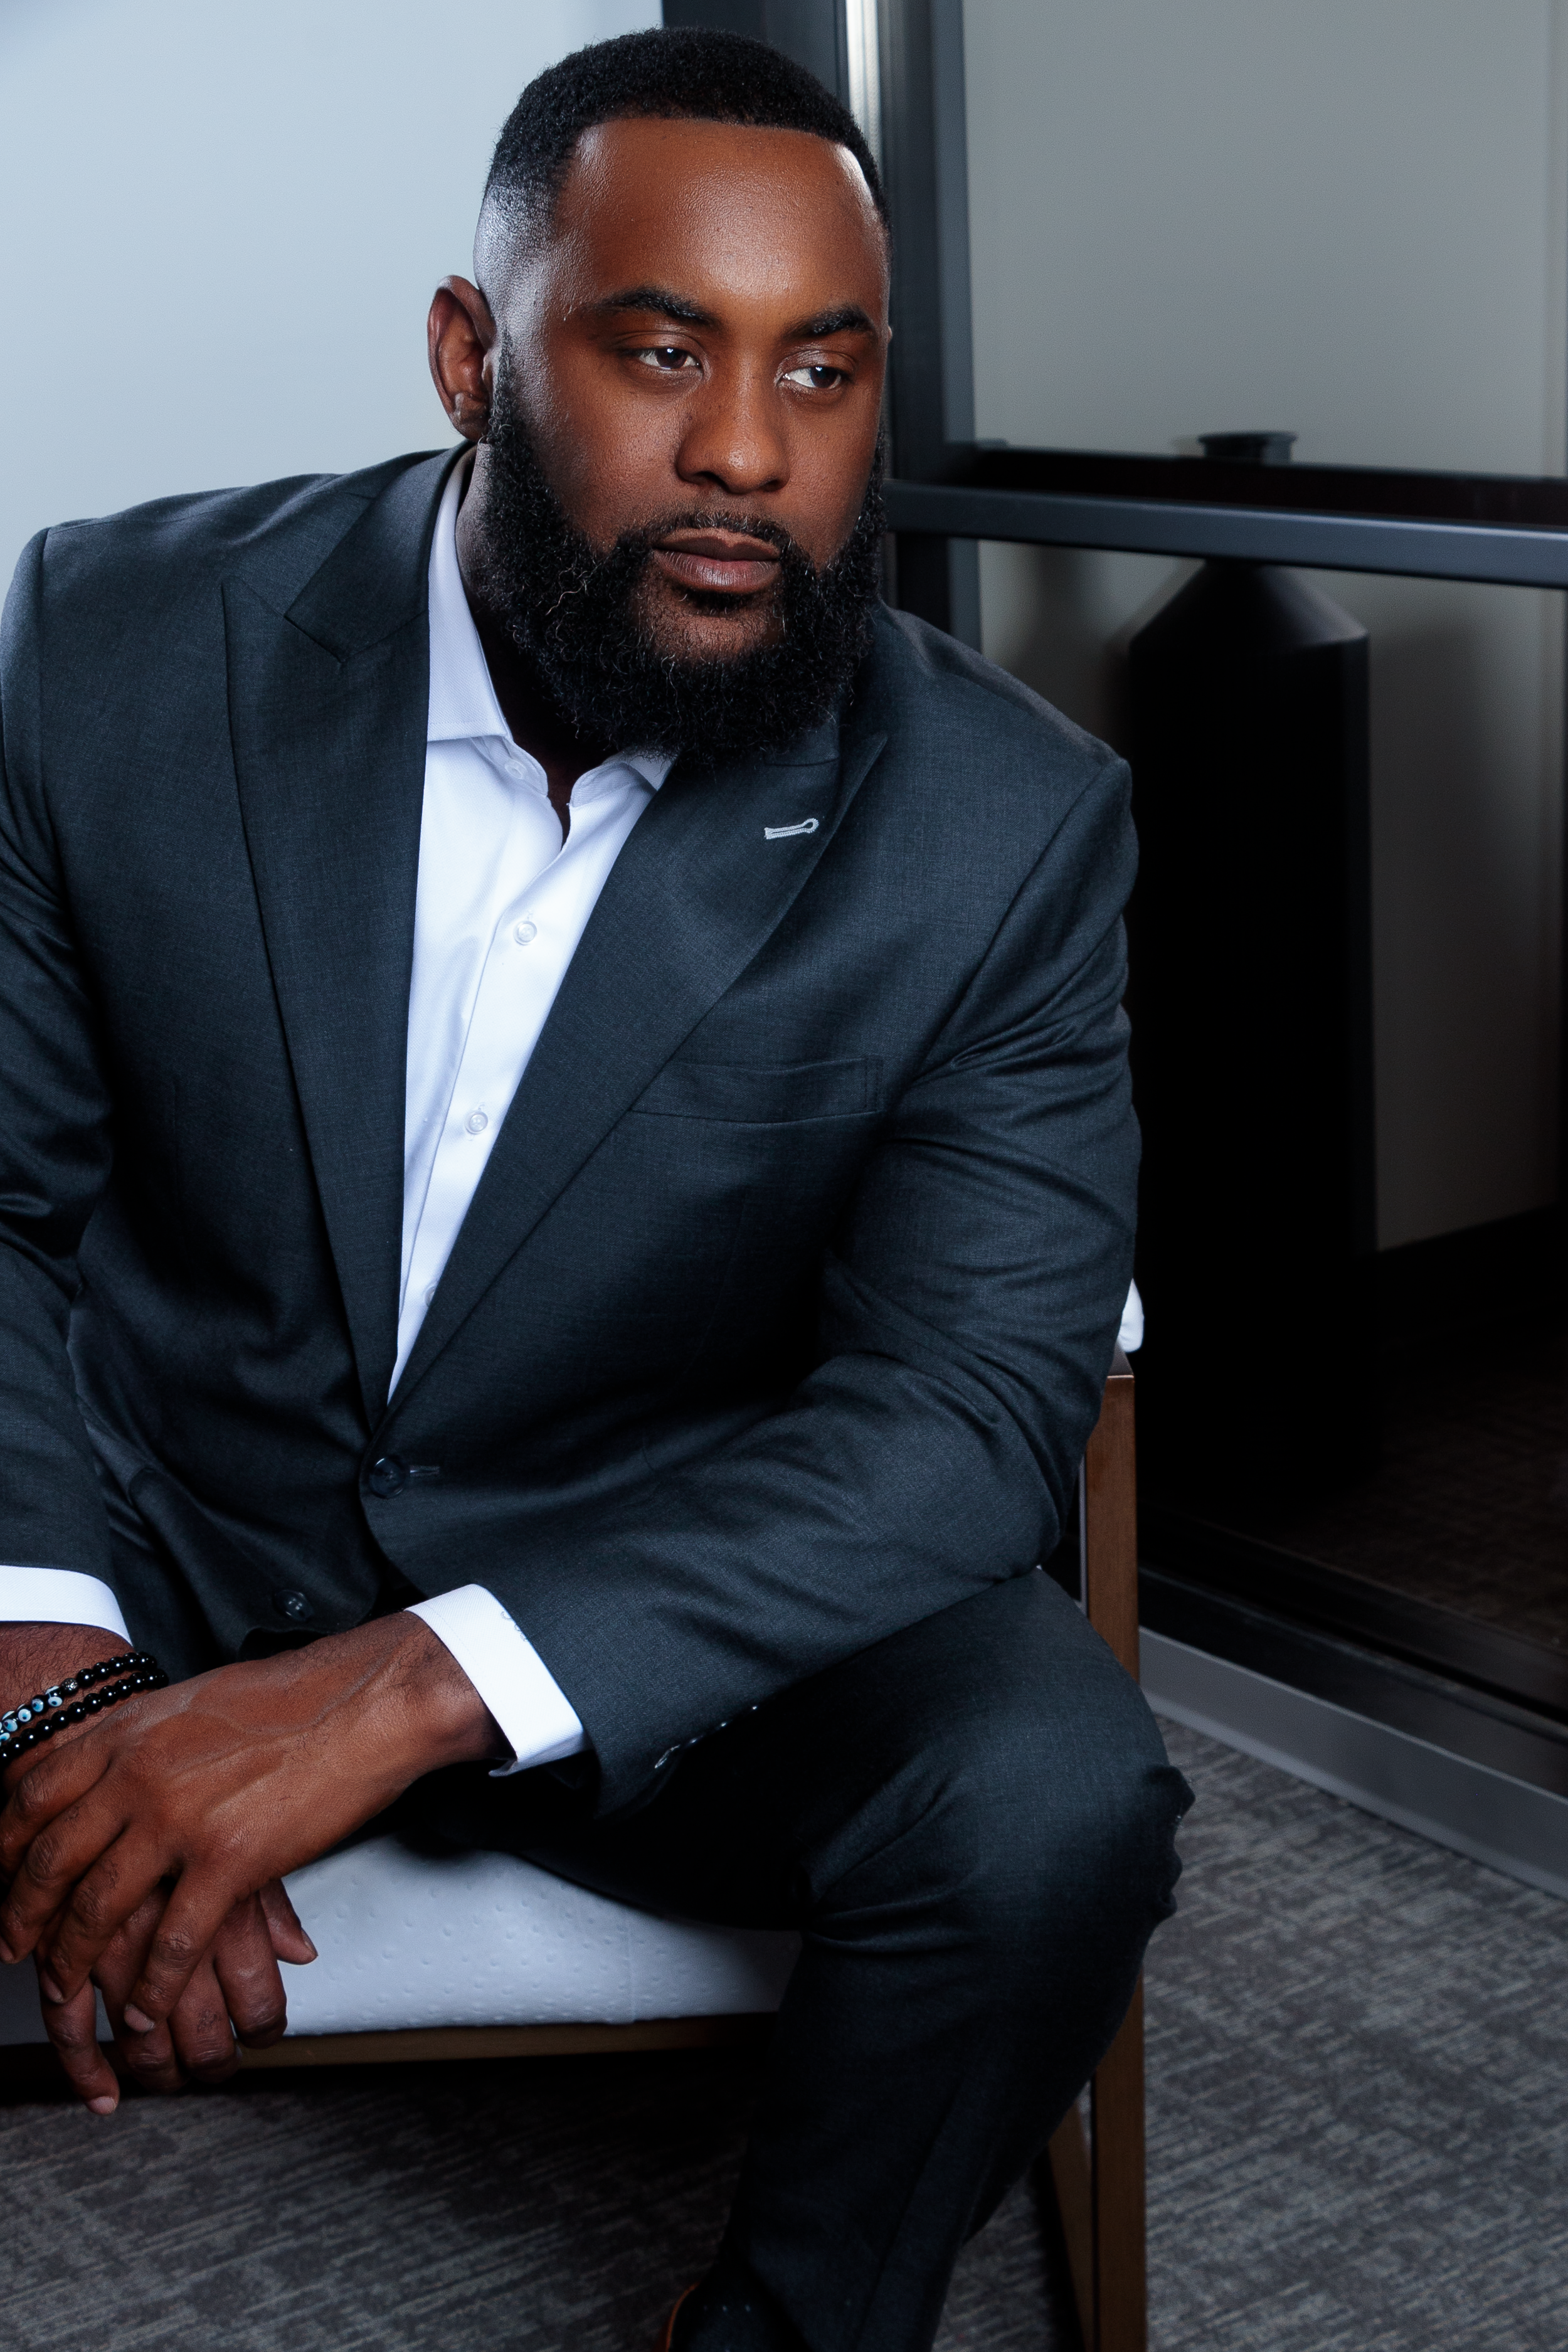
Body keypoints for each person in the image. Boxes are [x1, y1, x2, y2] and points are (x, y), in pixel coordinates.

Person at [0, 26, 1189, 2351]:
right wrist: (53, 1683)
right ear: (472, 352)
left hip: (624, 1591)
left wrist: (399, 1689)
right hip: (157, 1518)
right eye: (661, 351)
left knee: (1048, 1789)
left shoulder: (1002, 827)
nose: (748, 452)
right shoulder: (119, 645)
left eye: (823, 373)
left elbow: (961, 1409)